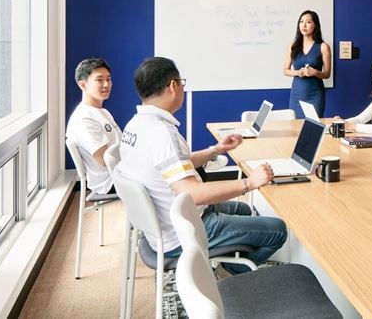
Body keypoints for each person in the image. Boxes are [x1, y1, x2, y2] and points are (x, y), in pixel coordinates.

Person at [118, 57, 287, 274]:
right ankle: (237, 274)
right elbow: (194, 194)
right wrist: (249, 182)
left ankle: (230, 260)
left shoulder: (136, 125)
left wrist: (215, 150)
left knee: (244, 209)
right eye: (181, 83)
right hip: (183, 230)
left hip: (165, 222)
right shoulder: (162, 133)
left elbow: (175, 164)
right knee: (278, 230)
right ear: (173, 86)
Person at [65, 58, 121, 194]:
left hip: (121, 172)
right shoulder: (83, 119)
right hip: (111, 181)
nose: (106, 84)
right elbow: (105, 160)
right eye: (99, 80)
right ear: (83, 85)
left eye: (109, 79)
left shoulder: (102, 112)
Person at [284, 10, 331, 118]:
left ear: (315, 25)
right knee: (295, 128)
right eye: (301, 22)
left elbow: (327, 74)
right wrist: (298, 72)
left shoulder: (323, 47)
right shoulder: (293, 46)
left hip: (315, 95)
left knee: (313, 127)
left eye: (308, 22)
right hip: (296, 95)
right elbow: (285, 70)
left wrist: (315, 72)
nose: (304, 25)